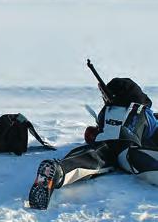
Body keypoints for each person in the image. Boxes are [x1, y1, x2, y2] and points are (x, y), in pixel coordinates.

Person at [28, 78, 158, 210]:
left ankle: (59, 171)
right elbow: (152, 130)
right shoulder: (145, 112)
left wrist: (95, 134)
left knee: (90, 156)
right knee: (145, 163)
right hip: (132, 153)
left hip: (113, 149)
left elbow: (102, 130)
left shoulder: (108, 110)